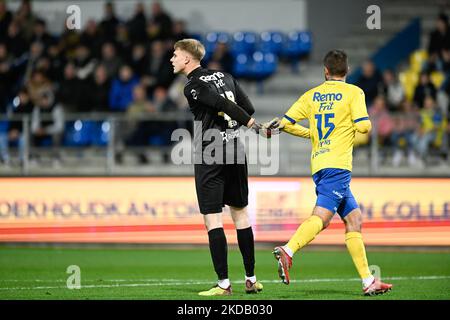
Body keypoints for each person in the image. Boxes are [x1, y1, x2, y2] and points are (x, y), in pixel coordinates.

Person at [267, 50, 393, 296]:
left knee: (354, 219)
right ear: (346, 70)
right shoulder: (354, 92)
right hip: (338, 165)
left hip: (320, 163)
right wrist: (363, 124)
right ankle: (288, 250)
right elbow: (364, 127)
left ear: (325, 71)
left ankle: (368, 280)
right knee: (322, 218)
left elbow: (286, 123)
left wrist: (311, 133)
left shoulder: (311, 95)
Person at [170, 38, 266, 296]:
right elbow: (247, 106)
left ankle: (224, 284)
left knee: (213, 219)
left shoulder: (191, 85)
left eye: (176, 55)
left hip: (210, 154)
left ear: (188, 58)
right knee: (241, 215)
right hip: (235, 150)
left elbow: (223, 105)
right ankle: (251, 278)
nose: (172, 59)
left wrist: (253, 126)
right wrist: (245, 124)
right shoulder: (225, 75)